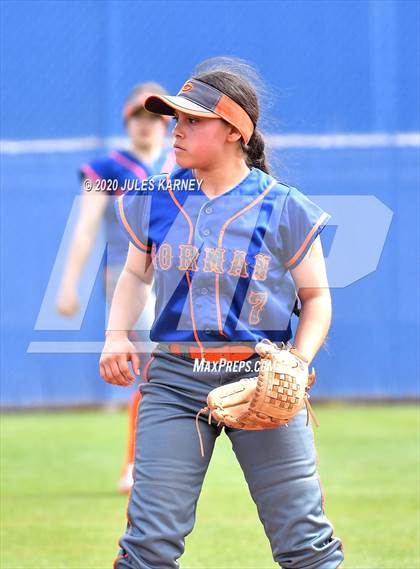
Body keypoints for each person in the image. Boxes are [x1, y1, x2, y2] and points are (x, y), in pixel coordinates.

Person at [100, 59, 344, 568]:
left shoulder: (283, 206)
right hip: (174, 378)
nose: (177, 130)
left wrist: (297, 362)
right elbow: (134, 275)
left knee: (305, 543)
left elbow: (317, 300)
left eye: (193, 120)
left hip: (261, 377)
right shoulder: (156, 199)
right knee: (147, 544)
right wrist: (116, 334)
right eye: (176, 120)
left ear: (234, 131)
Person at [56, 82, 175, 493]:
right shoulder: (106, 169)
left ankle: (164, 462)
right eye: (137, 116)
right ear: (127, 122)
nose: (145, 124)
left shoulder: (181, 165)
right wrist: (70, 282)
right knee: (154, 367)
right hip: (129, 276)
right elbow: (87, 225)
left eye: (153, 117)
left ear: (166, 123)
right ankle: (136, 465)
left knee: (175, 367)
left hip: (177, 275)